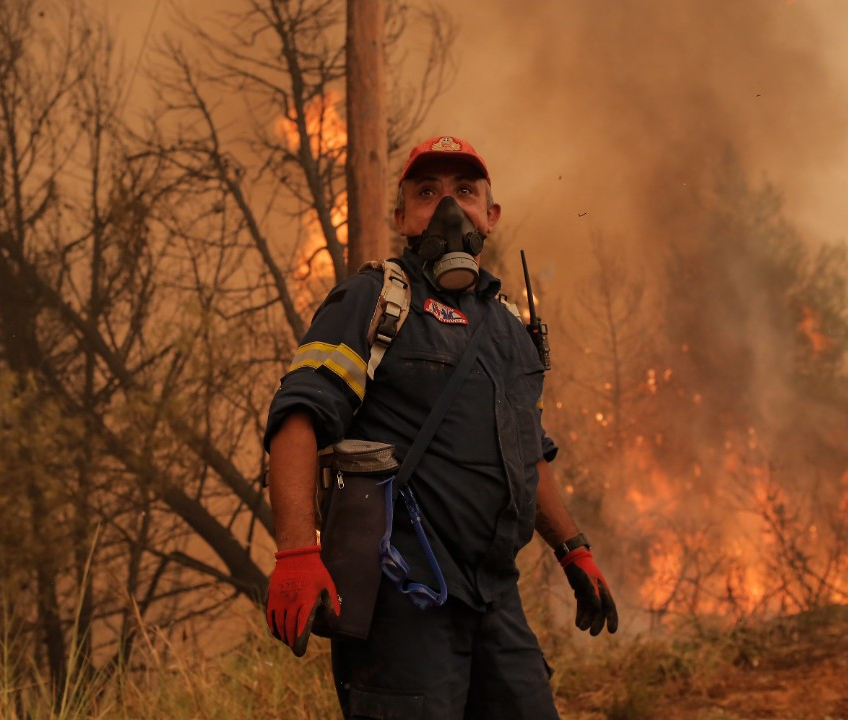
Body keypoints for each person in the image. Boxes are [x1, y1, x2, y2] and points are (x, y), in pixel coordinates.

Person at [263, 135, 618, 719]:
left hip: (495, 598)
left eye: (465, 191)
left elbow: (530, 457)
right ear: (403, 217)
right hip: (404, 601)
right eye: (427, 192)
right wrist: (297, 553)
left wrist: (573, 549)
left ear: (491, 215)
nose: (449, 208)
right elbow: (298, 415)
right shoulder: (374, 298)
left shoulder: (510, 329)